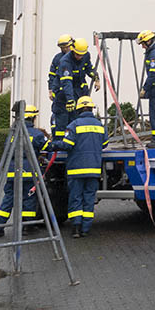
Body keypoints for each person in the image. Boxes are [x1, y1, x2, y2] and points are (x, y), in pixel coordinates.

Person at [0, 105, 50, 237]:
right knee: (28, 199)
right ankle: (27, 227)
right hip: (29, 173)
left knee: (8, 199)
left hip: (13, 173)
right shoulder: (37, 134)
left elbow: (7, 151)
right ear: (32, 118)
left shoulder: (13, 133)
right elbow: (47, 147)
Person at [62, 96, 108, 238]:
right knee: (89, 198)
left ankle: (76, 228)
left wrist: (54, 145)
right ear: (91, 109)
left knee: (76, 197)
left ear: (79, 109)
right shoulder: (100, 126)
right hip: (93, 169)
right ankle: (86, 229)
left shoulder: (74, 125)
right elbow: (104, 144)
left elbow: (67, 145)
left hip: (76, 169)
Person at [48, 34, 74, 139]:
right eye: (62, 47)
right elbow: (52, 75)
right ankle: (59, 141)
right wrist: (50, 89)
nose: (64, 49)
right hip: (59, 93)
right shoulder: (57, 58)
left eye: (65, 47)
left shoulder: (76, 57)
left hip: (73, 92)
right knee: (60, 119)